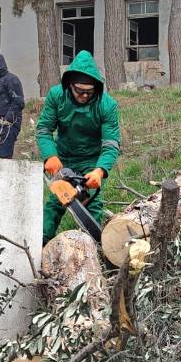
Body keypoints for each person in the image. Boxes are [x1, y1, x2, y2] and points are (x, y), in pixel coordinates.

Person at [36, 51, 121, 246]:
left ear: (96, 89)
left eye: (89, 92)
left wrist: (100, 171)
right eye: (79, 91)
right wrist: (50, 156)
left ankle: (94, 248)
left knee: (92, 205)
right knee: (55, 204)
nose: (84, 95)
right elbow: (43, 129)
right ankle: (39, 244)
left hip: (92, 160)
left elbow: (111, 144)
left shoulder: (107, 105)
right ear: (69, 85)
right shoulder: (57, 96)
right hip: (63, 158)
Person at [0, 53, 25, 159]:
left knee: (4, 156)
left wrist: (7, 120)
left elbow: (18, 102)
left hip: (9, 124)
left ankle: (4, 176)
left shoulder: (11, 80)